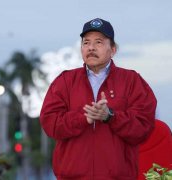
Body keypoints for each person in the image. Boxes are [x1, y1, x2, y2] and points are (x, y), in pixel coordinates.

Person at [40, 18, 157, 179]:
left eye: (99, 42)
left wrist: (111, 116)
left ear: (113, 49)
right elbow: (50, 123)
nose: (91, 48)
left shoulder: (132, 81)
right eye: (86, 43)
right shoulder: (65, 81)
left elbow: (143, 127)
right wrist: (83, 118)